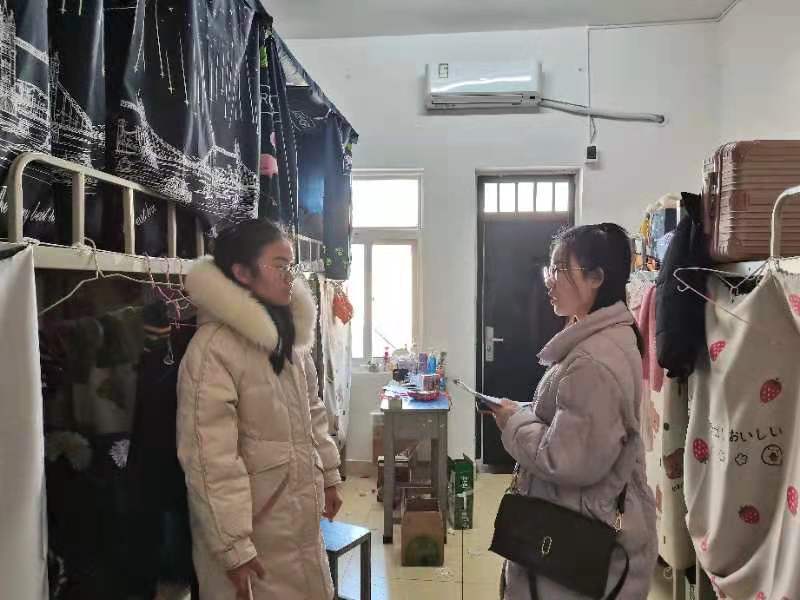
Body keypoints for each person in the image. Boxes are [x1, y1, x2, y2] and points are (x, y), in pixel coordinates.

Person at [488, 223, 657, 600]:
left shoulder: (592, 362)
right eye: (549, 269)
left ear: (596, 278)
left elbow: (566, 459)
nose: (550, 281)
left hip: (576, 541)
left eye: (560, 269)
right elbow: (577, 426)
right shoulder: (602, 342)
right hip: (580, 522)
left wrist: (513, 421)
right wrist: (526, 412)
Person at [177, 219, 343, 600]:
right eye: (279, 265)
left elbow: (313, 412)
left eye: (291, 267)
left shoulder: (289, 341)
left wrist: (330, 475)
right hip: (252, 534)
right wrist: (233, 547)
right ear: (242, 272)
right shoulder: (213, 350)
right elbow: (209, 460)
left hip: (295, 522)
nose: (290, 277)